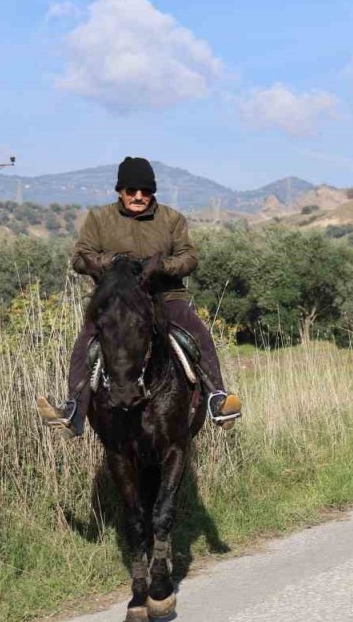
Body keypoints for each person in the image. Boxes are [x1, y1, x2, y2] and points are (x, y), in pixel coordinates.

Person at [38, 156, 241, 436]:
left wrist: (163, 266)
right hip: (116, 300)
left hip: (166, 296)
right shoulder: (99, 218)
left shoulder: (171, 219)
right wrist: (112, 262)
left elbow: (189, 257)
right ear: (120, 191)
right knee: (87, 340)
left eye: (145, 191)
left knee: (197, 334)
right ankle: (73, 410)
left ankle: (217, 399)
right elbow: (80, 258)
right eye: (131, 190)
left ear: (152, 192)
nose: (138, 196)